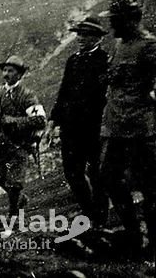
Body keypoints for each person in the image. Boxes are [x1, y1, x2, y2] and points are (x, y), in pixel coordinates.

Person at [99, 0, 156, 258]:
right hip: (117, 127)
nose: (111, 25)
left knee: (148, 186)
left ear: (129, 19)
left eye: (115, 19)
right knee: (109, 178)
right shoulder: (120, 45)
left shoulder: (149, 46)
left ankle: (152, 244)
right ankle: (134, 234)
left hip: (140, 130)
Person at [44, 16, 109, 226]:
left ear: (97, 38)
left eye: (86, 34)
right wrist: (53, 121)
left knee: (96, 174)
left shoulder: (105, 60)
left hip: (93, 128)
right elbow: (63, 93)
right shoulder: (73, 60)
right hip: (70, 128)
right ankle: (90, 213)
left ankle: (100, 219)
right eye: (79, 34)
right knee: (72, 173)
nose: (80, 38)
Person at [0, 55, 46, 217]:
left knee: (14, 182)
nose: (6, 74)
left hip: (19, 144)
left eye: (10, 71)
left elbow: (40, 120)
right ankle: (20, 199)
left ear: (19, 74)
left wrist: (16, 121)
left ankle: (13, 216)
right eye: (4, 70)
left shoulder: (26, 95)